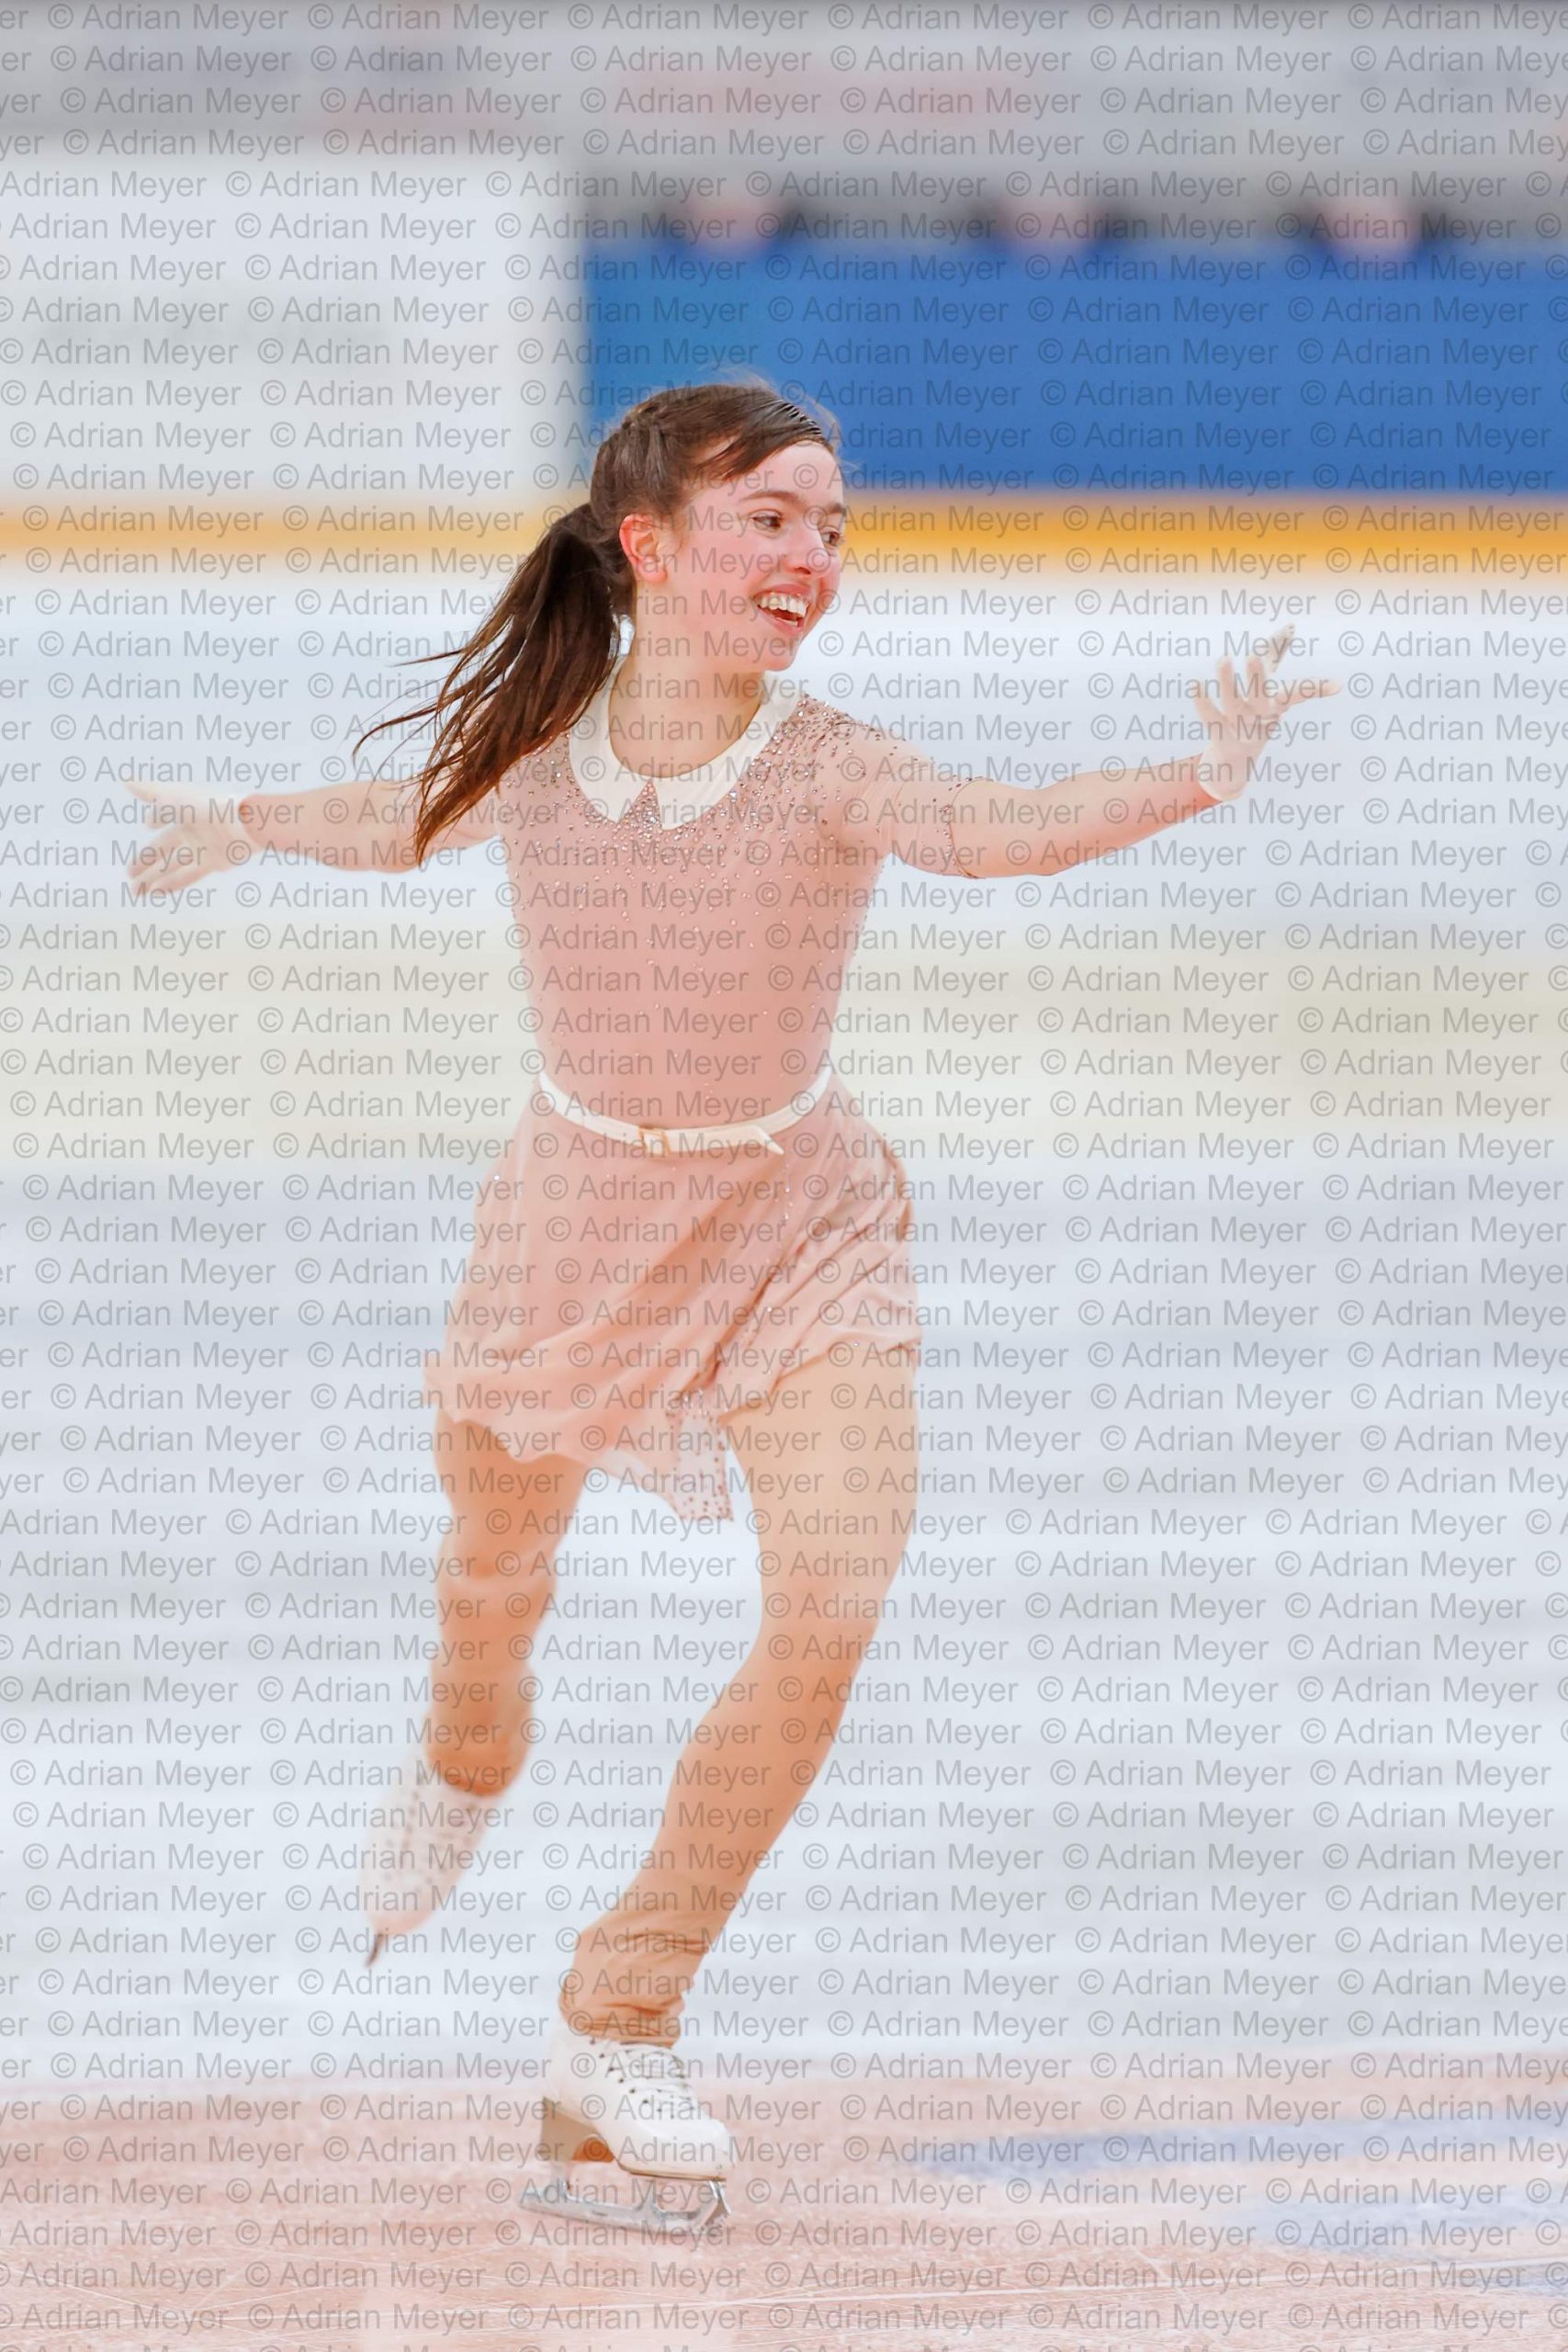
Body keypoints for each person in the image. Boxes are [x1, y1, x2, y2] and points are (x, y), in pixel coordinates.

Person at [129, 379, 1336, 2236]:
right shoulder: (543, 753)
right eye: (771, 517)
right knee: (492, 1571)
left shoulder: (830, 761)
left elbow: (996, 825)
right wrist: (242, 817)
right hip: (575, 1229)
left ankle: (620, 2008)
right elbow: (404, 814)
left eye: (832, 526)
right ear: (649, 545)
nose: (812, 556)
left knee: (832, 1598)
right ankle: (466, 1749)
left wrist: (1199, 778)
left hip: (798, 1229)